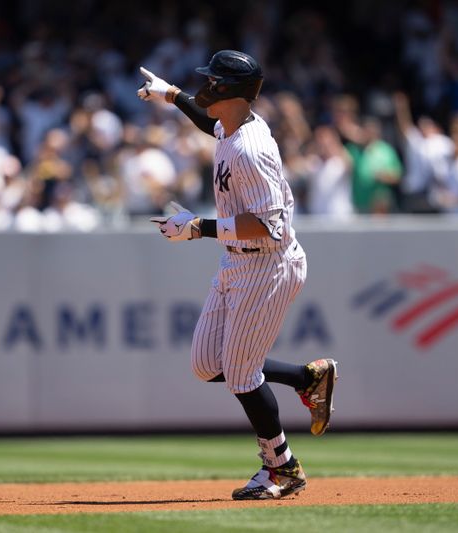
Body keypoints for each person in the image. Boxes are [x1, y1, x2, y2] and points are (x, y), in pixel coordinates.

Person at [137, 50, 337, 501]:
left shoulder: (251, 147)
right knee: (208, 364)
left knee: (242, 374)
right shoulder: (235, 124)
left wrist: (198, 229)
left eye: (211, 81)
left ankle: (282, 469)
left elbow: (272, 228)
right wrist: (171, 95)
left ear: (227, 90)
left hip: (266, 265)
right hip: (237, 261)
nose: (204, 86)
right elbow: (212, 125)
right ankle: (308, 378)